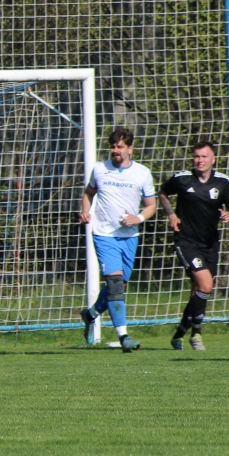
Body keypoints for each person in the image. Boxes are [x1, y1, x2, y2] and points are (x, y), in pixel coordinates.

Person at [79, 127, 157, 352]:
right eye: (113, 146)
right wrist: (86, 212)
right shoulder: (100, 169)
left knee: (119, 287)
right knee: (114, 285)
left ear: (130, 149)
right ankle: (124, 337)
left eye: (120, 147)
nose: (115, 150)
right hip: (104, 234)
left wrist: (138, 218)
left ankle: (91, 314)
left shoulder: (142, 173)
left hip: (129, 237)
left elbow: (151, 205)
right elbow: (88, 194)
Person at [159, 140, 229, 351]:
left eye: (204, 156)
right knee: (205, 285)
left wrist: (228, 216)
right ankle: (197, 335)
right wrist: (172, 214)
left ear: (213, 159)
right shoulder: (182, 179)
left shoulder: (223, 182)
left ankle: (178, 336)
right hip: (186, 241)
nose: (200, 160)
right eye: (196, 156)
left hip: (210, 244)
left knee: (198, 292)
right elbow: (163, 193)